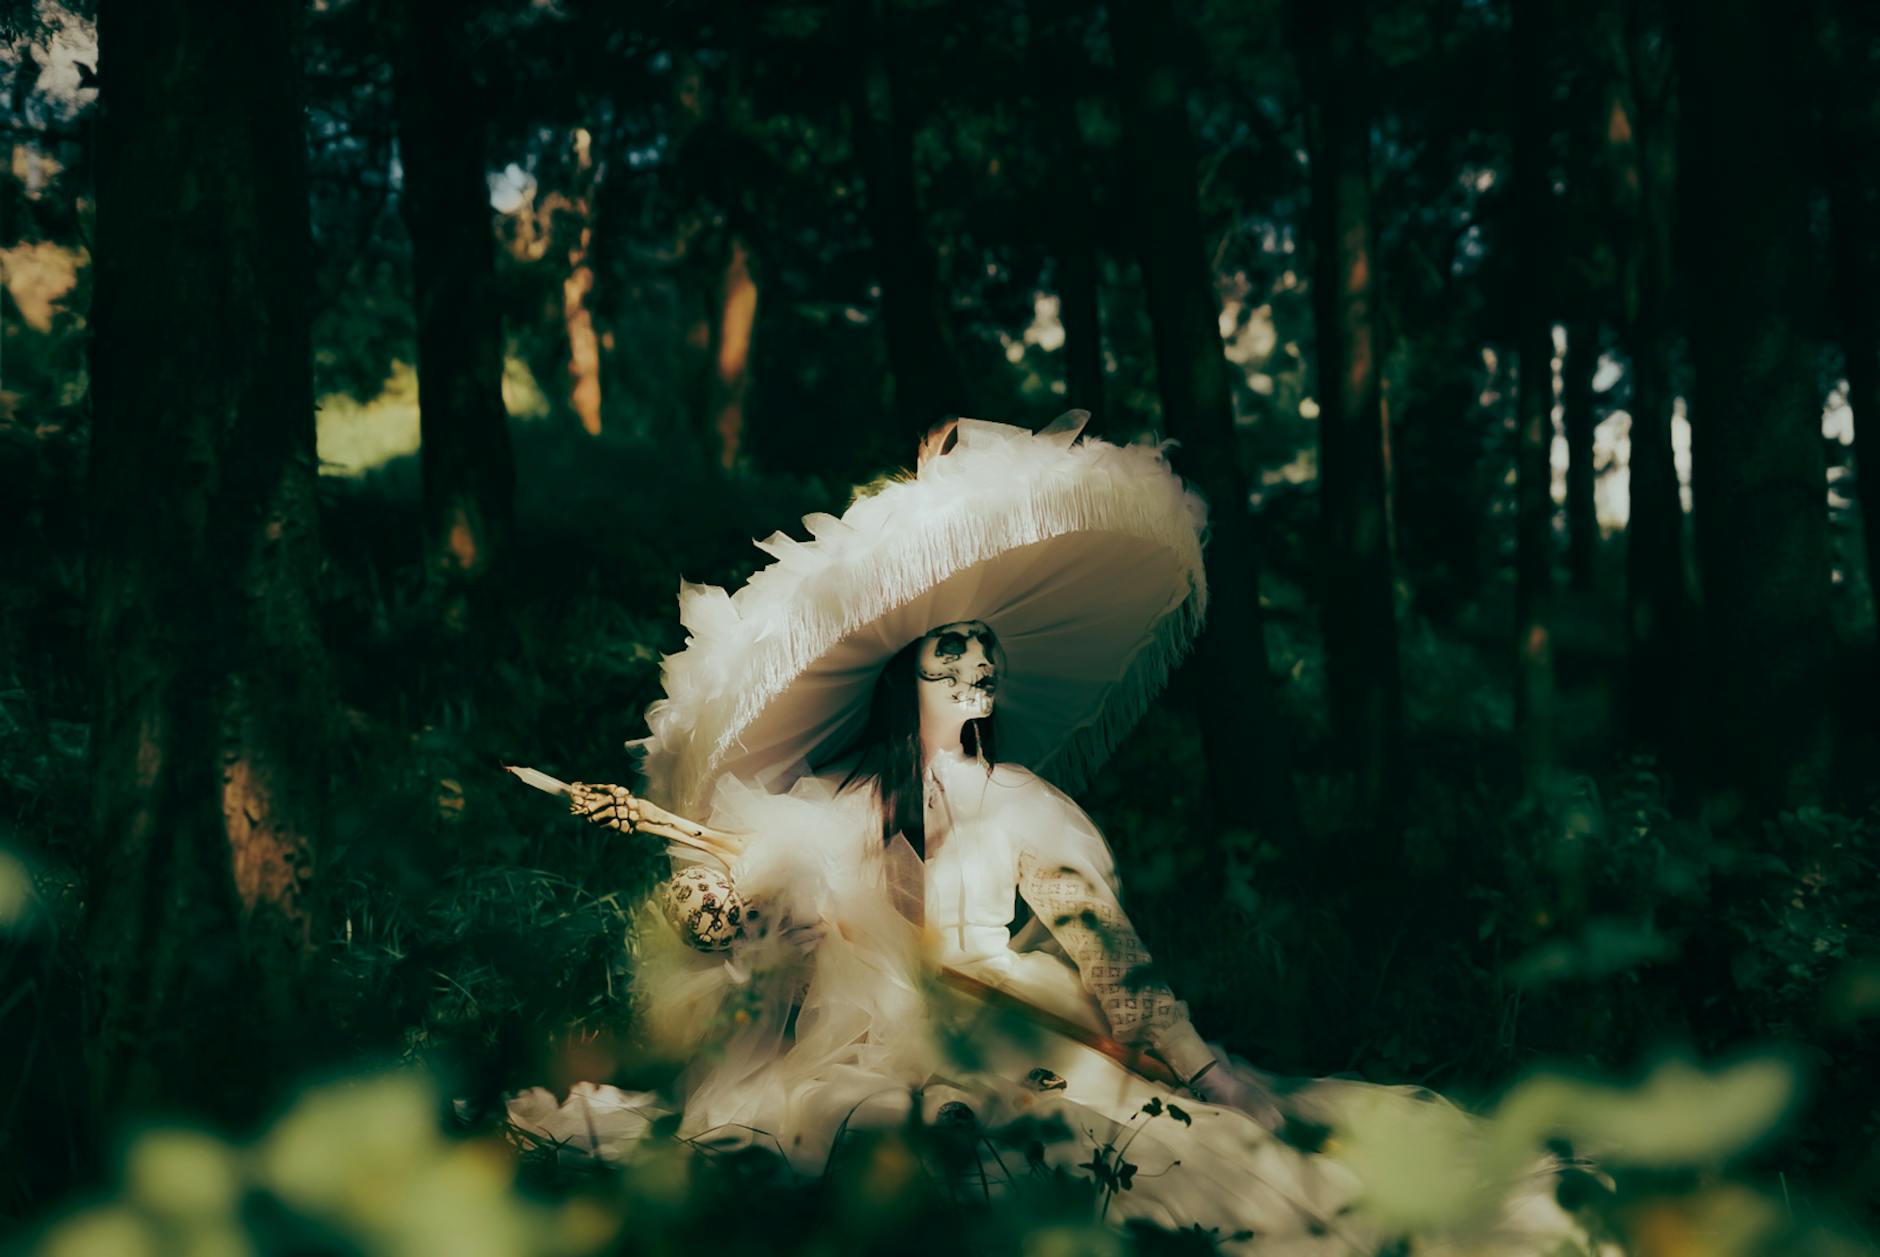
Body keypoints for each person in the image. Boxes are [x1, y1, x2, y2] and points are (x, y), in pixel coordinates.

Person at [508, 416, 1591, 1253]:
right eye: (947, 658)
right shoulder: (845, 800)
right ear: (905, 681)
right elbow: (773, 922)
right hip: (886, 1053)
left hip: (1025, 1047)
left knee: (1133, 1163)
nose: (973, 671)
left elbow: (1098, 948)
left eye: (984, 659)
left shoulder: (1017, 802)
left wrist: (1192, 1059)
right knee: (851, 1138)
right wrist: (729, 919)